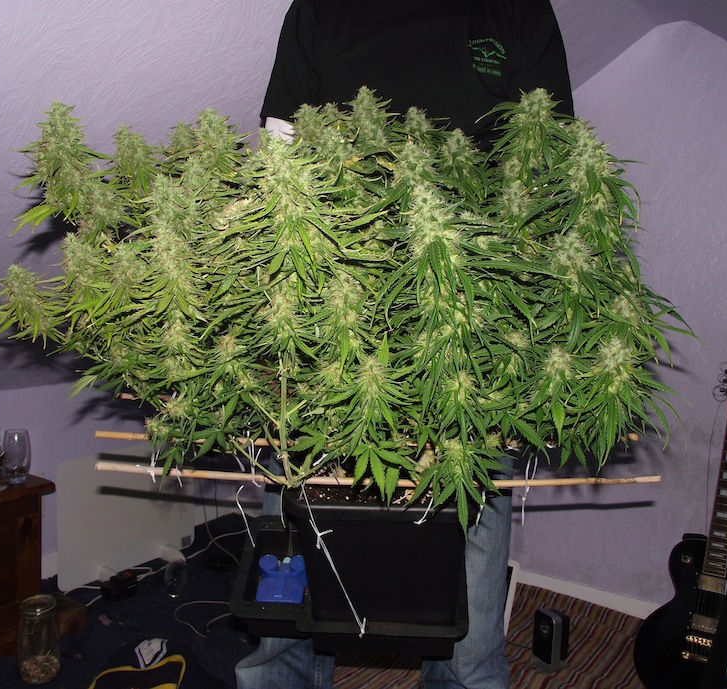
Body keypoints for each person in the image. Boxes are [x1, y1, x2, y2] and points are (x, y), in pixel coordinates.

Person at [236, 2, 573, 688]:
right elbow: (280, 154)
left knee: (467, 616)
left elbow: (549, 171)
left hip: (472, 330)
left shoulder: (516, 11)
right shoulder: (321, 11)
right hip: (331, 319)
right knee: (290, 574)